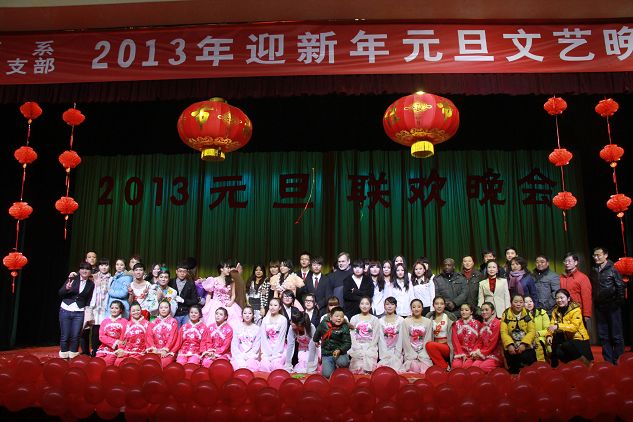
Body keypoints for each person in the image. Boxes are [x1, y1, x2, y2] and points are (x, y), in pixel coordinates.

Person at [590, 246, 625, 365]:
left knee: (616, 335)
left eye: (598, 255)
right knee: (604, 336)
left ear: (606, 255)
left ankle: (618, 361)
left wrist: (617, 303)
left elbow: (620, 286)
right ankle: (608, 362)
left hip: (612, 306)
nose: (596, 257)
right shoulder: (594, 270)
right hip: (600, 307)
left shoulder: (613, 269)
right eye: (594, 255)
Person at [547, 289, 594, 367]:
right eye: (557, 298)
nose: (559, 300)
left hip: (580, 339)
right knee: (557, 350)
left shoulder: (576, 310)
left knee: (566, 345)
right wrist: (549, 335)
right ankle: (568, 367)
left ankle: (586, 364)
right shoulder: (555, 311)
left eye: (561, 298)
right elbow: (552, 325)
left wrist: (558, 326)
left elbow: (574, 327)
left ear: (568, 299)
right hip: (568, 340)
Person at [59, 262, 95, 359]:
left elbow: (88, 300)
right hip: (65, 309)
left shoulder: (91, 284)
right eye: (82, 268)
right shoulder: (72, 278)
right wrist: (66, 288)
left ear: (90, 271)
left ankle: (73, 357)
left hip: (79, 312)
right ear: (79, 270)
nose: (84, 271)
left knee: (75, 336)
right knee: (65, 335)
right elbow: (60, 293)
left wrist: (87, 314)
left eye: (87, 269)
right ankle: (64, 357)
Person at [500, 294, 536, 374]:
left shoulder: (527, 313)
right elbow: (503, 332)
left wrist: (524, 344)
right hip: (512, 346)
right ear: (511, 303)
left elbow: (532, 331)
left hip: (526, 345)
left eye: (521, 302)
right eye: (516, 302)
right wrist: (509, 344)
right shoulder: (506, 314)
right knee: (513, 369)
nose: (518, 304)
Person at [313, 306, 351, 378]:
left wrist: (340, 350)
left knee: (342, 362)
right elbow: (317, 332)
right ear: (331, 317)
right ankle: (332, 367)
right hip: (327, 353)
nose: (339, 318)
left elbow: (348, 343)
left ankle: (342, 368)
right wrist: (316, 340)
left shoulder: (344, 327)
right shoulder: (323, 324)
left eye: (341, 317)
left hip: (340, 353)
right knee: (327, 375)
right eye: (337, 316)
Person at [201, 261, 242, 326]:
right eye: (227, 268)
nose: (229, 270)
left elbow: (233, 295)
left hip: (227, 304)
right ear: (221, 269)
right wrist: (206, 306)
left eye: (229, 268)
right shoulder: (214, 280)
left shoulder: (231, 281)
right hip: (215, 304)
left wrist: (231, 302)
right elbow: (209, 295)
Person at [85, 258, 112, 356]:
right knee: (95, 330)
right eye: (101, 265)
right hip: (96, 307)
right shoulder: (93, 277)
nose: (104, 267)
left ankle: (103, 350)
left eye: (106, 265)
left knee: (104, 330)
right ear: (99, 266)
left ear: (109, 267)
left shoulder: (111, 278)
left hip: (106, 307)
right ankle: (94, 350)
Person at [348, 297, 379, 374]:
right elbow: (352, 335)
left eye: (367, 304)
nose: (364, 306)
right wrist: (357, 347)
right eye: (362, 303)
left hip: (370, 347)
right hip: (357, 347)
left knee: (370, 370)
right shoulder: (354, 318)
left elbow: (376, 336)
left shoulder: (375, 319)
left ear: (370, 306)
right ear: (359, 305)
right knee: (358, 369)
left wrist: (370, 348)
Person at [402, 299, 434, 373]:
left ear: (422, 308)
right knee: (414, 367)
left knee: (426, 370)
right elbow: (405, 340)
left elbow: (428, 339)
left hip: (424, 353)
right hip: (410, 353)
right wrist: (412, 354)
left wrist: (422, 354)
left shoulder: (428, 321)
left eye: (419, 307)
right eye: (414, 307)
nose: (416, 309)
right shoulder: (406, 321)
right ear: (411, 309)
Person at [560, 253, 592, 323]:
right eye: (565, 261)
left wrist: (586, 314)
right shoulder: (561, 277)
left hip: (578, 311)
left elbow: (586, 297)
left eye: (569, 261)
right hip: (564, 311)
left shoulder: (583, 277)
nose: (567, 263)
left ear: (576, 262)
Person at [146, 299, 179, 367]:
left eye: (166, 307)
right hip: (155, 350)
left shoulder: (173, 321)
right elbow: (149, 336)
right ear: (158, 309)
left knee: (163, 363)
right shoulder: (153, 322)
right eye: (161, 308)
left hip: (168, 351)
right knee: (150, 363)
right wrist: (153, 348)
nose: (163, 309)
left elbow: (173, 337)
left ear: (169, 309)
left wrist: (165, 350)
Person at [425, 296, 455, 369]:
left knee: (429, 345)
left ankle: (444, 367)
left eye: (441, 304)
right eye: (436, 304)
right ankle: (444, 366)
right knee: (429, 346)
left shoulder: (448, 317)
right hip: (434, 346)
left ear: (444, 305)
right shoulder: (429, 318)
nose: (439, 306)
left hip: (447, 346)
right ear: (433, 305)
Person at [471, 302, 503, 372]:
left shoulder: (497, 323)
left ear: (492, 311)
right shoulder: (483, 324)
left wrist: (481, 353)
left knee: (483, 367)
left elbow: (493, 343)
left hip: (494, 353)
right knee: (474, 367)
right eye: (482, 310)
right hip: (483, 353)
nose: (484, 312)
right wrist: (475, 351)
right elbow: (479, 341)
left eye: (486, 310)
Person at [285, 309, 318, 373]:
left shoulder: (311, 328)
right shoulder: (291, 328)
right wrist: (288, 365)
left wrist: (311, 366)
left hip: (313, 349)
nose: (290, 322)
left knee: (309, 368)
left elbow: (312, 348)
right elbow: (290, 346)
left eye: (292, 322)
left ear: (299, 324)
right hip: (302, 349)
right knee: (301, 366)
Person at [260, 298, 289, 371]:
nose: (272, 307)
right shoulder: (265, 319)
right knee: (264, 365)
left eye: (275, 305)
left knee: (276, 365)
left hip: (280, 349)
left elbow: (281, 338)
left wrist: (275, 353)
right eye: (271, 305)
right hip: (267, 348)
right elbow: (263, 337)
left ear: (280, 307)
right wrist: (267, 352)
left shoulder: (283, 319)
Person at [377, 296, 404, 372]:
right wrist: (385, 354)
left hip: (397, 352)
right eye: (387, 304)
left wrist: (397, 353)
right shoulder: (380, 321)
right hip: (384, 352)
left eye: (392, 304)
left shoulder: (401, 320)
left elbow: (401, 338)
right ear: (384, 306)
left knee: (396, 369)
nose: (389, 306)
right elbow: (381, 339)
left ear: (396, 306)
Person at [96, 300, 127, 365]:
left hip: (117, 348)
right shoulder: (104, 321)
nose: (114, 310)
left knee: (108, 362)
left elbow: (123, 336)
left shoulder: (124, 322)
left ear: (121, 310)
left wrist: (119, 347)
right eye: (112, 308)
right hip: (104, 346)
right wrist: (114, 342)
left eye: (116, 308)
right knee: (98, 362)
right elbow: (101, 336)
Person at [451, 303, 482, 369]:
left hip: (472, 354)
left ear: (471, 312)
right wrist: (461, 354)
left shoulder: (478, 324)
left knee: (467, 367)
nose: (463, 312)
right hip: (460, 353)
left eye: (466, 310)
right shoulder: (456, 324)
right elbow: (455, 341)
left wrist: (474, 352)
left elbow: (479, 340)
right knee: (456, 366)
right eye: (462, 310)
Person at [230, 306, 261, 371]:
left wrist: (248, 356)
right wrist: (240, 356)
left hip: (251, 357)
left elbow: (256, 346)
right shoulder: (237, 327)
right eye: (245, 313)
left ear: (253, 315)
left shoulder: (257, 329)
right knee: (236, 366)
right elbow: (234, 344)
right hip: (238, 356)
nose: (247, 315)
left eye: (250, 313)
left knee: (250, 366)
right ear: (242, 315)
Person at [169, 263, 199, 327]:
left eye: (184, 271)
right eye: (180, 271)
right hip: (173, 313)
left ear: (187, 272)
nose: (182, 273)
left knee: (185, 330)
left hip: (186, 313)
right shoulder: (170, 282)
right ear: (176, 271)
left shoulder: (191, 283)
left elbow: (195, 300)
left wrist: (183, 300)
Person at [524, 295, 550, 362]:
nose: (529, 303)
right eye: (526, 302)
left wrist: (538, 333)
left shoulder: (542, 313)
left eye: (531, 301)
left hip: (543, 338)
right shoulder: (521, 317)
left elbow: (548, 329)